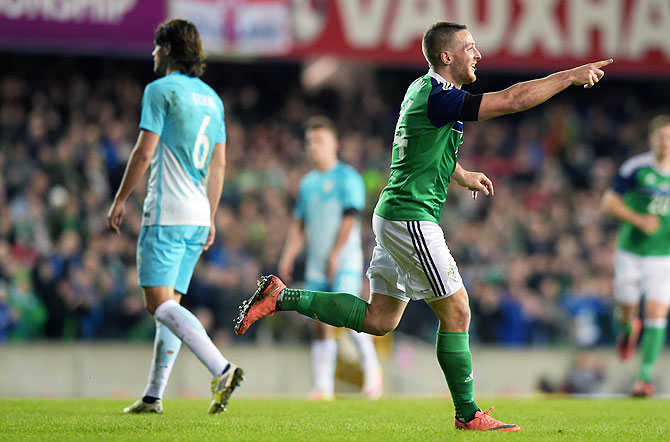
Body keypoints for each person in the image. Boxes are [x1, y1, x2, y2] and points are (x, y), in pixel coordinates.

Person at [234, 21, 612, 431]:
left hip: (396, 213)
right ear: (446, 57)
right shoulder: (441, 96)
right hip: (410, 217)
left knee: (380, 320)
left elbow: (423, 147)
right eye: (469, 47)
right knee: (458, 309)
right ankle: (468, 415)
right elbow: (513, 100)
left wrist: (461, 173)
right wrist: (569, 76)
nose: (478, 54)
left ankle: (282, 296)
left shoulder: (421, 89)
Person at [107, 19, 243, 414]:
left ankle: (221, 367)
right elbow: (219, 165)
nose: (152, 53)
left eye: (155, 46)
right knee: (171, 306)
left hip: (167, 213)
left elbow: (143, 153)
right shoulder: (212, 99)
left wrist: (119, 200)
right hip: (199, 214)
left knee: (157, 304)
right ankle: (153, 394)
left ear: (167, 49)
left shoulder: (160, 90)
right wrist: (212, 215)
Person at [278, 117, 383, 400]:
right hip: (316, 264)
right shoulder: (308, 183)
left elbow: (350, 218)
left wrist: (335, 253)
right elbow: (300, 224)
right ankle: (322, 386)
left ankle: (373, 374)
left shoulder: (347, 177)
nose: (314, 147)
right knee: (318, 321)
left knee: (346, 317)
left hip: (344, 261)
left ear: (334, 144)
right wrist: (288, 256)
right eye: (310, 142)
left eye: (320, 141)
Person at [600, 115, 670, 397]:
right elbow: (608, 203)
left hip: (663, 256)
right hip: (630, 252)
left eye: (669, 137)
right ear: (651, 140)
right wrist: (639, 220)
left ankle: (643, 379)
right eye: (660, 137)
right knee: (626, 310)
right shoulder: (635, 168)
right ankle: (629, 328)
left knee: (657, 313)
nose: (665, 143)